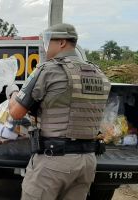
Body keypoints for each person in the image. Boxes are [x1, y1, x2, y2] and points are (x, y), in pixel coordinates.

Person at [6, 23, 110, 200]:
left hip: (54, 161)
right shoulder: (98, 73)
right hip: (87, 162)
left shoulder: (48, 70)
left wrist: (12, 92)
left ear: (62, 42)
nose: (45, 46)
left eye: (49, 41)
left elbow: (15, 112)